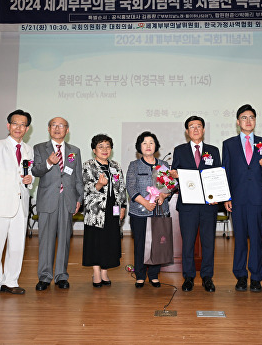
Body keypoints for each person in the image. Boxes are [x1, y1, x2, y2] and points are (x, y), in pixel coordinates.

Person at [0, 109, 34, 299]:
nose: (18, 127)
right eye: (15, 123)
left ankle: (10, 281)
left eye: (22, 125)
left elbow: (30, 173)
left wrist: (30, 179)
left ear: (27, 128)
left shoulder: (28, 149)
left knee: (17, 246)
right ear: (8, 125)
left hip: (21, 204)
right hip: (1, 203)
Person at [222, 104, 262, 292]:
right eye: (244, 117)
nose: (248, 121)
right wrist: (226, 197)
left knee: (256, 238)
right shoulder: (228, 144)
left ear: (255, 121)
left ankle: (257, 277)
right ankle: (241, 276)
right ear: (238, 122)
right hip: (237, 197)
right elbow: (226, 172)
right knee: (240, 238)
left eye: (251, 117)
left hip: (256, 197)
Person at [169, 116, 221, 292]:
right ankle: (189, 277)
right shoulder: (180, 150)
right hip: (188, 205)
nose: (196, 129)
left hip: (208, 204)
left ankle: (207, 277)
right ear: (187, 131)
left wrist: (219, 195)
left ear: (204, 130)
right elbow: (173, 175)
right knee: (188, 242)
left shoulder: (213, 151)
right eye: (192, 127)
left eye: (199, 126)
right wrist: (174, 176)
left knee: (208, 242)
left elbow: (217, 175)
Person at [32, 117, 84, 291]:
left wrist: (79, 199)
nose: (57, 128)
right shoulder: (39, 148)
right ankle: (45, 277)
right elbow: (35, 170)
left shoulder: (74, 150)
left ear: (67, 130)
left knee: (64, 240)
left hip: (67, 200)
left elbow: (78, 178)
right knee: (46, 240)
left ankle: (61, 275)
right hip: (48, 199)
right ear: (48, 129)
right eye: (54, 125)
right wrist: (49, 162)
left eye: (61, 126)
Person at [126, 131, 170, 288]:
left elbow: (169, 188)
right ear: (139, 147)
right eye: (144, 143)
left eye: (151, 142)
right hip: (140, 211)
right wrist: (145, 202)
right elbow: (130, 187)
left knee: (158, 245)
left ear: (156, 146)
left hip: (159, 211)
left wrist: (164, 196)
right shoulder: (134, 165)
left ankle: (153, 274)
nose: (148, 146)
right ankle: (140, 275)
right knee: (140, 244)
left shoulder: (163, 165)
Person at [82, 134, 127, 287]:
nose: (105, 149)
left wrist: (123, 206)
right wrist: (99, 185)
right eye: (101, 147)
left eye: (108, 146)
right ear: (94, 150)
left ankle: (104, 271)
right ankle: (96, 272)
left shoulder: (115, 166)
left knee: (109, 241)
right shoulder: (88, 165)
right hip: (95, 210)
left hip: (113, 209)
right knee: (95, 241)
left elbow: (121, 187)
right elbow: (86, 187)